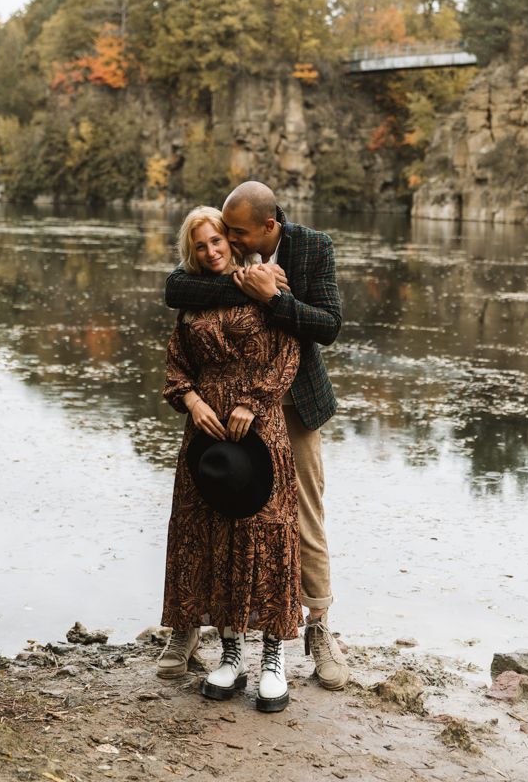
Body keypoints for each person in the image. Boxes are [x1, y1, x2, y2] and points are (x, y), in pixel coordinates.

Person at [164, 182, 349, 691]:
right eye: (223, 234)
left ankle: (317, 628)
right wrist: (243, 283)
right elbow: (175, 290)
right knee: (212, 508)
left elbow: (329, 326)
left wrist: (274, 297)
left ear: (268, 227)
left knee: (301, 514)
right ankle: (190, 625)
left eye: (237, 234)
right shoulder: (231, 254)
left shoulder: (313, 248)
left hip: (293, 404)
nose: (228, 241)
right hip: (226, 411)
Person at [158, 205, 302, 712]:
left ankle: (272, 660)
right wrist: (193, 401)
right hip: (206, 435)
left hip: (258, 427)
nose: (212, 250)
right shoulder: (192, 298)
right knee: (216, 535)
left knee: (264, 533)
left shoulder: (262, 285)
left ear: (232, 241)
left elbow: (289, 354)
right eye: (201, 245)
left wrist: (253, 401)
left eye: (218, 240)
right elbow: (176, 363)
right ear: (191, 252)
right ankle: (231, 653)